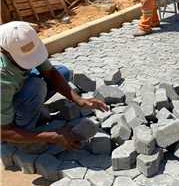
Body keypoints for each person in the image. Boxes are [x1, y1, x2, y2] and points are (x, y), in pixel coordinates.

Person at [0, 21, 108, 150]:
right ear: (5, 52)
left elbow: (50, 73)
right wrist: (51, 136)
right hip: (4, 107)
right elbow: (2, 132)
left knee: (62, 72)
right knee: (36, 86)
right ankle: (25, 137)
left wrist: (79, 100)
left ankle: (30, 110)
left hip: (12, 89)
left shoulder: (22, 44)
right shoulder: (3, 78)